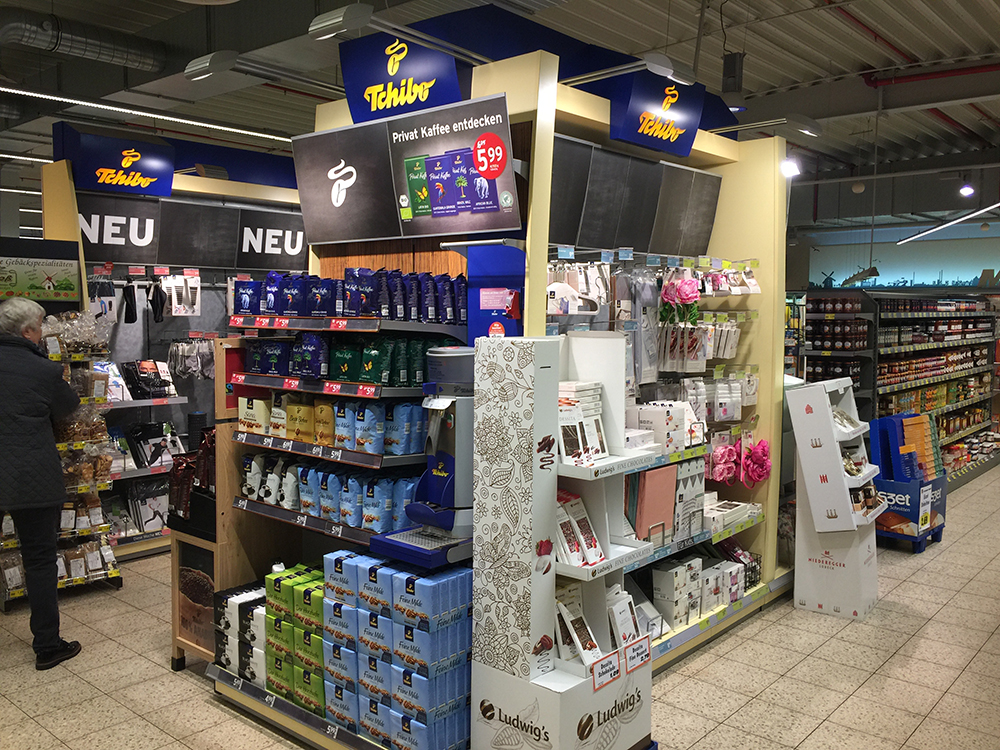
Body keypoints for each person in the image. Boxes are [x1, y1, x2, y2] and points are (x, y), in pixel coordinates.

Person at [0, 298, 83, 669]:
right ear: (27, 331)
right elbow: (68, 406)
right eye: (40, 326)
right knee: (39, 561)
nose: (42, 333)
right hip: (31, 476)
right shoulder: (44, 370)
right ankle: (47, 646)